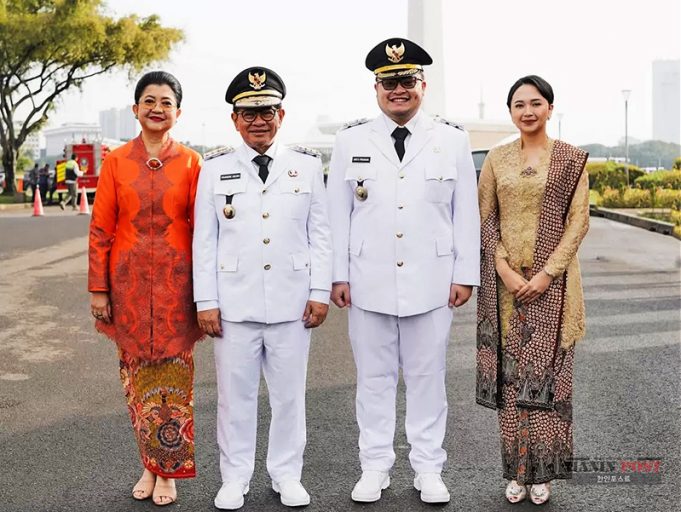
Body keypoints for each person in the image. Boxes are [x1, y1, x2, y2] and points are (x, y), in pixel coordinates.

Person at [326, 38, 480, 504]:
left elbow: (465, 213)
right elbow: (337, 215)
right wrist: (337, 275)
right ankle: (374, 466)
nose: (398, 89)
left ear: (422, 85)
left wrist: (464, 274)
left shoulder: (451, 139)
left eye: (407, 80)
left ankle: (428, 468)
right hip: (367, 280)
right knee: (373, 380)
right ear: (376, 88)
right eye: (389, 81)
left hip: (432, 281)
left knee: (427, 379)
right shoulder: (350, 141)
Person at [193, 66, 332, 510]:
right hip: (234, 304)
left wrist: (320, 291)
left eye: (267, 111)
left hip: (293, 303)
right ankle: (234, 478)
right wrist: (206, 300)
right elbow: (204, 240)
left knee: (289, 398)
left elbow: (320, 234)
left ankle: (287, 474)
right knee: (235, 400)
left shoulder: (306, 165)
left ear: (281, 115)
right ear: (235, 119)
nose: (259, 121)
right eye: (249, 113)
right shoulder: (215, 167)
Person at [88, 71, 203, 507]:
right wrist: (99, 288)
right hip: (129, 288)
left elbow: (203, 231)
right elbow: (101, 228)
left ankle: (167, 471)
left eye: (166, 102)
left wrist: (206, 292)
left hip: (177, 288)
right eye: (149, 101)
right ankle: (149, 464)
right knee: (137, 384)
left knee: (174, 382)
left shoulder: (192, 162)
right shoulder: (116, 161)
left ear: (178, 112)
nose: (157, 108)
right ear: (135, 109)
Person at [476, 75, 589, 505]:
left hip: (555, 288)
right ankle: (515, 473)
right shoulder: (497, 159)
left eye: (536, 103)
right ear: (510, 112)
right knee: (511, 383)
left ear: (550, 108)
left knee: (549, 382)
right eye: (519, 104)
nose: (527, 111)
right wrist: (503, 268)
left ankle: (542, 473)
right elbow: (485, 217)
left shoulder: (570, 159)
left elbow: (579, 222)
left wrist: (546, 274)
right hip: (505, 288)